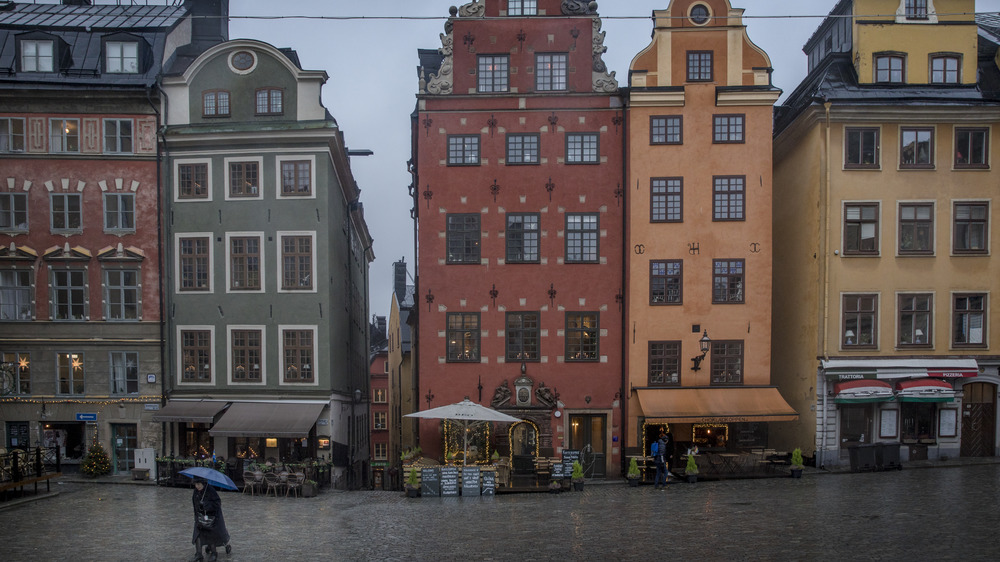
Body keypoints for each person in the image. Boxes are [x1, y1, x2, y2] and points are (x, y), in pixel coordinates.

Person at [191, 478, 230, 562]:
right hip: (200, 517)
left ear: (203, 483)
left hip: (212, 517)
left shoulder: (210, 491)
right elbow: (195, 504)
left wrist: (206, 505)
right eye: (196, 484)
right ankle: (198, 554)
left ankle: (214, 553)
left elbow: (217, 503)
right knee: (197, 534)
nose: (197, 486)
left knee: (211, 534)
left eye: (199, 484)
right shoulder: (196, 492)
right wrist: (197, 516)